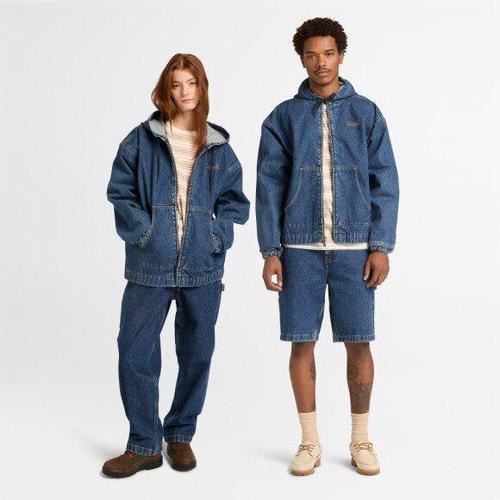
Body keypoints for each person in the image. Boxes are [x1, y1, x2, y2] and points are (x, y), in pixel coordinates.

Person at [256, 18, 399, 476]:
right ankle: (309, 442)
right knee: (302, 344)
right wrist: (270, 250)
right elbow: (268, 187)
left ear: (341, 55)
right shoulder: (283, 117)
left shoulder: (366, 113)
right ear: (302, 59)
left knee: (358, 344)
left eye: (329, 53)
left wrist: (381, 244)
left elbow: (385, 181)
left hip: (356, 247)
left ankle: (361, 440)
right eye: (312, 55)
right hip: (298, 247)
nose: (321, 62)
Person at [103, 53, 250, 478]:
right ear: (166, 90)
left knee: (197, 353)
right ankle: (144, 445)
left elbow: (234, 203)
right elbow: (120, 192)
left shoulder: (219, 147)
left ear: (202, 88)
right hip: (150, 266)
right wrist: (145, 233)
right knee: (134, 351)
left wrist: (218, 235)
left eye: (192, 83)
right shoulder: (140, 140)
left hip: (203, 268)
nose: (185, 91)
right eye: (176, 84)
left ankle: (181, 434)